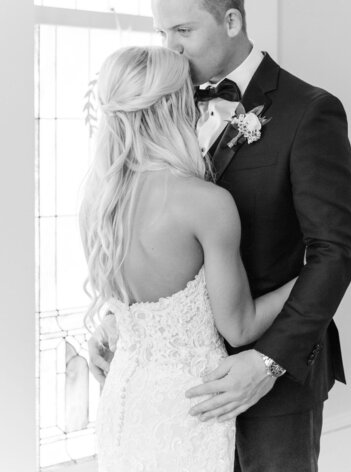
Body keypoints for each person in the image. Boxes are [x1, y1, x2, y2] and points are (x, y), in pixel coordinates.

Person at [88, 0, 351, 472]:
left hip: (272, 387)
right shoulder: (164, 102)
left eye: (183, 30)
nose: (170, 47)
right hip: (179, 391)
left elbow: (335, 251)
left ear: (231, 20)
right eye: (163, 32)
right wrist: (126, 317)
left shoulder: (310, 112)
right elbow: (148, 225)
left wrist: (267, 362)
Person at [80, 45, 296, 472]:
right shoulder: (205, 203)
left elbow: (130, 308)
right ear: (174, 106)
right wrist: (311, 274)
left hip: (124, 402)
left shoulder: (97, 204)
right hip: (190, 411)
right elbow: (239, 325)